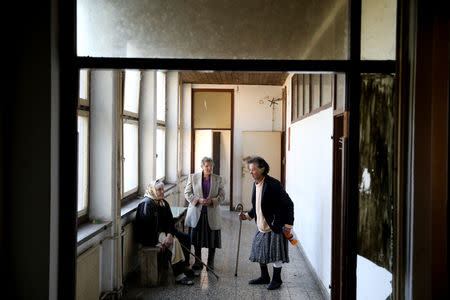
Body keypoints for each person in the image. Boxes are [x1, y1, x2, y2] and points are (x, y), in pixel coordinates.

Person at [238, 156, 294, 290]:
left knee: (276, 254)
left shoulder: (273, 184)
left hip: (275, 224)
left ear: (262, 169)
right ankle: (265, 276)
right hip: (261, 224)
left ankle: (277, 279)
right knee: (258, 250)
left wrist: (288, 226)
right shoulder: (256, 183)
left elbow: (288, 204)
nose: (250, 172)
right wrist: (246, 216)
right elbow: (258, 205)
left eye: (253, 170)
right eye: (249, 170)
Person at [134, 180, 194, 285]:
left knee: (185, 238)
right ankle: (178, 274)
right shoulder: (146, 205)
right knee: (174, 242)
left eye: (162, 189)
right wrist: (153, 243)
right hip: (152, 236)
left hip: (164, 232)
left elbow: (170, 222)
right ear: (152, 190)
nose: (162, 192)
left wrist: (170, 234)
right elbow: (143, 230)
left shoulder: (163, 202)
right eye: (159, 190)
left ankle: (184, 266)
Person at [184, 157, 225, 272]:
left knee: (212, 239)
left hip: (212, 213)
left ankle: (210, 262)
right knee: (196, 239)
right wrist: (198, 199)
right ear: (202, 166)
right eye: (207, 166)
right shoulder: (193, 177)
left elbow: (222, 195)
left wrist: (213, 201)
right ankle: (198, 261)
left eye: (211, 166)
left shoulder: (218, 179)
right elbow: (187, 193)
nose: (209, 168)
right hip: (197, 212)